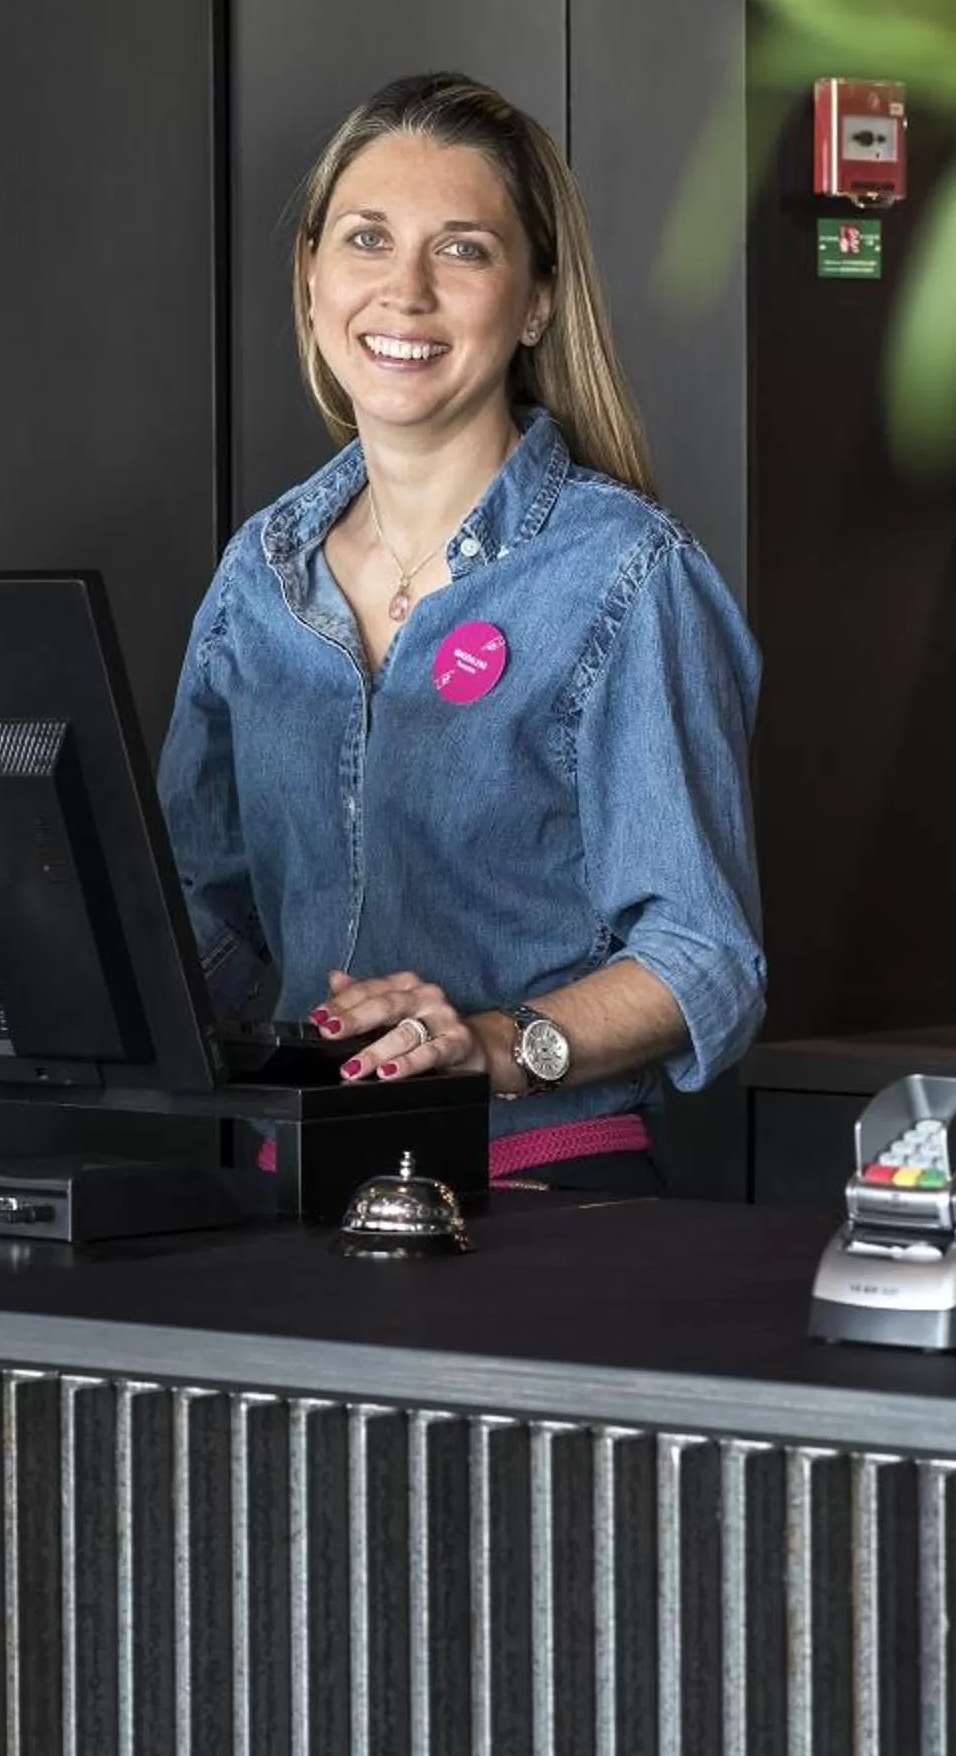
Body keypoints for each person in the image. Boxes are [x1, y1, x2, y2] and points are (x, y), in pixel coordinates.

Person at [158, 72, 761, 1191]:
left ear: (535, 301)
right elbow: (208, 916)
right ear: (311, 276)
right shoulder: (261, 574)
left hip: (538, 1191)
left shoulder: (626, 573)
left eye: (464, 249)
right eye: (368, 239)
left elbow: (703, 960)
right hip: (291, 1185)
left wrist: (492, 1045)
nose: (405, 291)